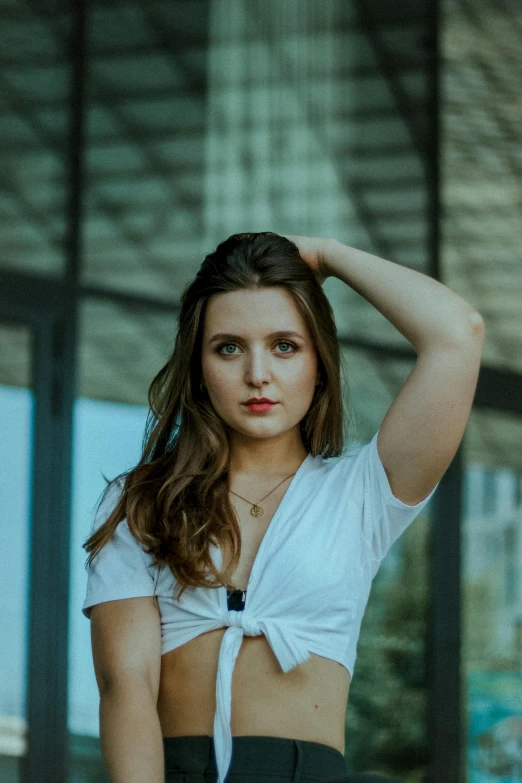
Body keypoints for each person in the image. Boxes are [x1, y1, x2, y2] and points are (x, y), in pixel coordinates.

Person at [82, 231, 485, 783]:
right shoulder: (143, 500)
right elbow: (125, 686)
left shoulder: (361, 493)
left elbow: (458, 333)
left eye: (285, 346)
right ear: (199, 366)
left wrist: (326, 255)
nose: (257, 375)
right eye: (228, 347)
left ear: (319, 362)